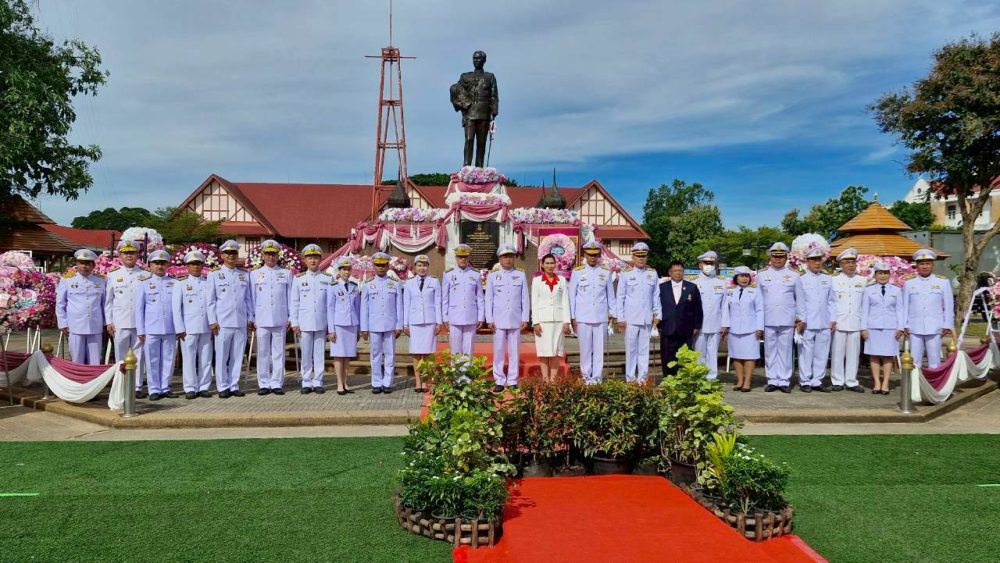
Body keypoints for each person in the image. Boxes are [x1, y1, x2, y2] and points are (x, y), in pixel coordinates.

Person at [207, 239, 253, 398]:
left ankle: (234, 385)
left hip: (240, 321)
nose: (231, 256)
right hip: (222, 322)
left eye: (234, 253)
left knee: (237, 356)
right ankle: (222, 386)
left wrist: (250, 317)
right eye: (228, 253)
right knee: (221, 356)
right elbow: (210, 300)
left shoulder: (244, 275)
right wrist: (212, 320)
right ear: (222, 255)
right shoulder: (214, 275)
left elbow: (248, 299)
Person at [568, 240, 615, 384]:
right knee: (585, 350)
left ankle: (597, 378)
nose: (593, 258)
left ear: (599, 255)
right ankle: (586, 377)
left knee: (599, 350)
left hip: (601, 317)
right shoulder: (577, 272)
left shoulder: (606, 272)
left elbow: (611, 296)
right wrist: (572, 317)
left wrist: (613, 315)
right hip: (583, 317)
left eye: (595, 255)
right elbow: (572, 296)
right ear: (585, 255)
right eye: (590, 255)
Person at [104, 240, 147, 397]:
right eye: (126, 253)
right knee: (121, 355)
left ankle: (137, 386)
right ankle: (121, 385)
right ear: (120, 255)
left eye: (132, 253)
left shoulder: (145, 275)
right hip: (120, 322)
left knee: (139, 355)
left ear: (137, 255)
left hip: (139, 323)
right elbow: (108, 301)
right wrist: (109, 321)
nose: (129, 256)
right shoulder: (113, 275)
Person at [758, 242, 802, 393]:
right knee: (770, 351)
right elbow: (758, 300)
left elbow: (800, 299)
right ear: (770, 257)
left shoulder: (794, 275)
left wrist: (800, 318)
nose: (778, 259)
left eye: (781, 257)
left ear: (786, 257)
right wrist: (759, 322)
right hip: (768, 318)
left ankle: (784, 380)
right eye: (775, 256)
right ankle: (772, 380)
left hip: (787, 319)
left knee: (785, 351)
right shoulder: (761, 275)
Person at [615, 242, 661, 384]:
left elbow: (656, 295)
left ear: (647, 257)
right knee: (631, 350)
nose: (641, 259)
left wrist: (658, 314)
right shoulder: (626, 274)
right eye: (638, 256)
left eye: (644, 256)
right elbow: (620, 297)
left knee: (644, 351)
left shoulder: (652, 274)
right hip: (631, 319)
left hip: (647, 319)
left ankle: (642, 380)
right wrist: (620, 318)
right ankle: (630, 379)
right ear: (633, 257)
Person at [485, 244, 529, 391]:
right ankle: (499, 380)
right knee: (498, 351)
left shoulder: (520, 274)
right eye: (505, 257)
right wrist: (489, 319)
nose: (508, 259)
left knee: (514, 351)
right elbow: (488, 299)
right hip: (498, 319)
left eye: (510, 256)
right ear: (499, 259)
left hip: (515, 318)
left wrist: (525, 318)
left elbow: (525, 298)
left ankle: (512, 380)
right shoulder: (492, 276)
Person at [134, 250, 177, 401]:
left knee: (168, 359)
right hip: (151, 328)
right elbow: (139, 309)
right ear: (150, 265)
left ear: (167, 265)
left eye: (162, 263)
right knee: (152, 360)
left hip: (170, 327)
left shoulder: (174, 283)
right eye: (156, 263)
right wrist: (141, 330)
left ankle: (165, 387)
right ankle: (153, 389)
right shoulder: (144, 284)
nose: (159, 266)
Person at [171, 250, 213, 399]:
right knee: (189, 358)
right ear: (187, 266)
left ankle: (204, 387)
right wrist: (179, 328)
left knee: (205, 358)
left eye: (198, 264)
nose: (196, 267)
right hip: (188, 328)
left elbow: (212, 305)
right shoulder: (180, 283)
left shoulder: (208, 282)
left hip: (206, 326)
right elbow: (176, 308)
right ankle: (190, 387)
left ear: (202, 266)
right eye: (192, 264)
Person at [290, 244, 331, 394]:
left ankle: (318, 381)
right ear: (305, 260)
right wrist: (294, 321)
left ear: (320, 259)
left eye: (315, 258)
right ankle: (306, 381)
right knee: (306, 353)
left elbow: (330, 304)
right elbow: (294, 302)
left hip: (321, 321)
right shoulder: (298, 279)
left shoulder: (328, 278)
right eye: (310, 258)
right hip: (304, 322)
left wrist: (330, 325)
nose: (313, 260)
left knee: (319, 353)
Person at [903, 248, 954, 368]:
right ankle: (915, 380)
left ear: (933, 265)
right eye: (921, 264)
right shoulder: (909, 283)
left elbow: (949, 305)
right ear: (916, 266)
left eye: (928, 263)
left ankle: (934, 379)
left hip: (935, 326)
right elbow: (904, 305)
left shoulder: (943, 282)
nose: (925, 266)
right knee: (914, 360)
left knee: (935, 359)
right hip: (914, 326)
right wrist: (904, 324)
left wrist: (947, 324)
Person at [360, 252, 403, 394]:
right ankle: (376, 382)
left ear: (387, 266)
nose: (380, 268)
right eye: (378, 265)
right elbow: (364, 308)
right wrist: (364, 327)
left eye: (383, 265)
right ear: (373, 266)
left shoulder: (395, 283)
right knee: (375, 355)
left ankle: (388, 382)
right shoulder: (368, 284)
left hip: (390, 324)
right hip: (374, 324)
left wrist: (399, 325)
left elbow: (399, 306)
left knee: (390, 354)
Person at [252, 239, 291, 396]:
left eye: (273, 254)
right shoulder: (254, 274)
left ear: (278, 255)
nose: (271, 257)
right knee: (262, 353)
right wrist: (252, 317)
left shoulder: (286, 273)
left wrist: (291, 317)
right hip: (261, 319)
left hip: (280, 318)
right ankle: (263, 383)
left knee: (278, 353)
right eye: (268, 254)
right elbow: (251, 298)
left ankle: (276, 383)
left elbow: (290, 297)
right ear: (262, 255)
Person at [794, 247, 834, 393]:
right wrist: (800, 320)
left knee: (822, 353)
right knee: (806, 353)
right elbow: (799, 301)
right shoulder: (801, 279)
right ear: (807, 261)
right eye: (813, 260)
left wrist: (833, 319)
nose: (817, 263)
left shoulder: (828, 278)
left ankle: (817, 380)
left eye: (819, 260)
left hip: (824, 321)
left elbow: (831, 301)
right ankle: (805, 381)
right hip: (807, 322)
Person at [861, 262, 905, 395]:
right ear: (875, 275)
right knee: (874, 355)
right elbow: (864, 310)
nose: (883, 276)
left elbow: (900, 309)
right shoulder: (868, 290)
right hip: (873, 327)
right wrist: (863, 328)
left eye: (885, 273)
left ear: (889, 275)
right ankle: (876, 383)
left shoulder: (896, 290)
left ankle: (885, 383)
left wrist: (900, 327)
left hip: (890, 327)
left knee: (888, 356)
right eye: (880, 273)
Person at [56, 249, 106, 365]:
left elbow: (105, 304)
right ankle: (78, 376)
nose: (84, 266)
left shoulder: (101, 280)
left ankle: (94, 377)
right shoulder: (67, 280)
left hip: (95, 325)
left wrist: (106, 322)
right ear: (77, 264)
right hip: (75, 326)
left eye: (88, 263)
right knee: (76, 359)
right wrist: (63, 323)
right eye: (81, 263)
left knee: (95, 360)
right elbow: (60, 303)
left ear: (93, 265)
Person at [403, 255, 442, 393]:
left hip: (429, 321)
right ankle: (417, 381)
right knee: (416, 353)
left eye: (424, 265)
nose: (422, 268)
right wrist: (405, 323)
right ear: (415, 267)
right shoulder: (409, 283)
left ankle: (425, 381)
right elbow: (406, 304)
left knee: (427, 353)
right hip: (414, 321)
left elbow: (438, 303)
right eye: (419, 265)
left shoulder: (434, 282)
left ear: (428, 267)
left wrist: (439, 322)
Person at [721, 266, 763, 392]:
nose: (744, 279)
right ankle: (739, 381)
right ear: (736, 278)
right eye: (741, 276)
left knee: (750, 356)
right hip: (734, 329)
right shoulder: (730, 291)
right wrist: (725, 326)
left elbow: (760, 310)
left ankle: (747, 382)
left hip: (751, 329)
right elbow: (725, 309)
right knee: (736, 355)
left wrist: (759, 327)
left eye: (746, 276)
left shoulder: (755, 291)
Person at [658, 260, 703, 376]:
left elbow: (698, 308)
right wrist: (657, 324)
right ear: (670, 272)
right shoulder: (661, 287)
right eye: (675, 271)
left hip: (686, 328)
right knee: (667, 356)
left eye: (680, 270)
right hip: (667, 327)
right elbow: (657, 306)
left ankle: (683, 380)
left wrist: (697, 325)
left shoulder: (692, 287)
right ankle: (668, 379)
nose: (678, 273)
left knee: (685, 357)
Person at [830, 248, 866, 392]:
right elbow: (831, 302)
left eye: (852, 262)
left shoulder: (863, 280)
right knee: (837, 353)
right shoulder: (833, 280)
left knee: (854, 354)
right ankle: (837, 380)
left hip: (855, 322)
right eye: (847, 262)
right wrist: (832, 319)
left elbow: (864, 304)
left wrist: (864, 325)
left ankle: (851, 381)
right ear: (841, 264)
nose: (850, 265)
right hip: (839, 321)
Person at [530, 254, 570, 383]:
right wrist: (535, 322)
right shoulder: (537, 281)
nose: (549, 266)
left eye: (552, 263)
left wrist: (567, 321)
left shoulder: (562, 280)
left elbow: (565, 302)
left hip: (558, 320)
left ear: (555, 264)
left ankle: (553, 380)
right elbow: (534, 302)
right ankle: (545, 380)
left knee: (555, 352)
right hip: (543, 321)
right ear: (542, 265)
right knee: (544, 352)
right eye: (547, 263)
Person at [441, 244, 484, 355]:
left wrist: (481, 317)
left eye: (465, 257)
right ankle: (456, 367)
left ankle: (467, 367)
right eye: (460, 257)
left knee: (468, 348)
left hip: (471, 316)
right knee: (455, 349)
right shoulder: (448, 274)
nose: (463, 259)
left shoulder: (475, 274)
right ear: (456, 258)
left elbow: (480, 298)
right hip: (454, 316)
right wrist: (445, 317)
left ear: (469, 258)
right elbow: (444, 298)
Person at [327, 257, 360, 395]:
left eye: (348, 269)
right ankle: (339, 383)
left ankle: (345, 382)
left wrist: (359, 328)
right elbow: (330, 309)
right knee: (338, 355)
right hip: (339, 325)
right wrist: (331, 329)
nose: (347, 272)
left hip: (352, 324)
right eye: (344, 269)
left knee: (348, 355)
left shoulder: (354, 287)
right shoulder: (333, 286)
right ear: (339, 271)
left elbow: (357, 308)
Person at [693, 250, 728, 380]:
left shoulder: (721, 283)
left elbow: (724, 305)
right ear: (700, 265)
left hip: (715, 324)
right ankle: (700, 378)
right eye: (706, 263)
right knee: (699, 353)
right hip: (699, 325)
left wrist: (725, 324)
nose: (709, 266)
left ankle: (711, 378)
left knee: (712, 353)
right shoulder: (693, 283)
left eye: (711, 263)